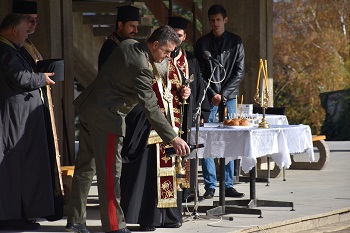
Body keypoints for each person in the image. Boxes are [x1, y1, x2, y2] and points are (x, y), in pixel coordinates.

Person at [66, 25, 190, 233]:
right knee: (110, 175)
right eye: (167, 52)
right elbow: (150, 106)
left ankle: (76, 221)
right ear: (156, 44)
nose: (168, 57)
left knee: (85, 170)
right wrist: (173, 138)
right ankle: (115, 227)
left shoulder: (128, 44)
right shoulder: (142, 67)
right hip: (107, 119)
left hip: (88, 110)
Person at [0, 13, 56, 230]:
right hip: (14, 119)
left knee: (26, 167)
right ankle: (11, 216)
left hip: (22, 118)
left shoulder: (15, 48)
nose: (27, 34)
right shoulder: (5, 50)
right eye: (25, 29)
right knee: (14, 166)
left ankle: (23, 212)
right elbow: (20, 77)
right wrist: (42, 78)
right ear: (14, 31)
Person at [12, 0, 65, 221]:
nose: (34, 25)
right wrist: (39, 77)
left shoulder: (28, 43)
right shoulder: (13, 46)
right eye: (29, 21)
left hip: (38, 105)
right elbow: (18, 76)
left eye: (36, 20)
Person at [194, 4, 245, 199]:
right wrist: (214, 95)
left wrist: (223, 94)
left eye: (218, 20)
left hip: (229, 97)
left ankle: (228, 184)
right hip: (209, 98)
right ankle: (210, 185)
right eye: (212, 20)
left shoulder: (236, 42)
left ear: (225, 20)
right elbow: (199, 73)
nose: (215, 23)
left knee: (229, 140)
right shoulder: (202, 43)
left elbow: (239, 72)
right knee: (206, 139)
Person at [98, 5, 139, 70]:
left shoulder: (125, 44)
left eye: (137, 27)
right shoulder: (110, 48)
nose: (136, 31)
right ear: (120, 25)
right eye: (132, 26)